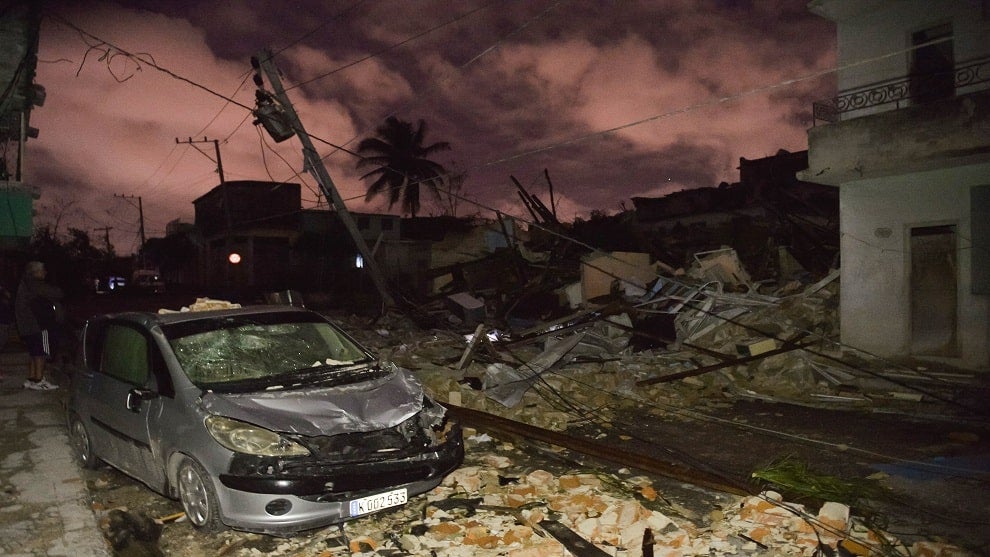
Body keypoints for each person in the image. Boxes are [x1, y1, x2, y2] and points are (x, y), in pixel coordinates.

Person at [14, 261, 64, 390]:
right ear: (36, 272)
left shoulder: (26, 283)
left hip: (28, 325)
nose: (45, 273)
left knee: (34, 353)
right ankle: (39, 380)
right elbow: (56, 293)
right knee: (41, 353)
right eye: (43, 270)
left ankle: (32, 379)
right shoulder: (34, 283)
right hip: (37, 325)